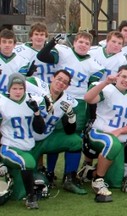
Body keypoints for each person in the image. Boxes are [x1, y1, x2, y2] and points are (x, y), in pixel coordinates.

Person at [83, 65, 127, 202]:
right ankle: (97, 180)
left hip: (118, 138)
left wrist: (120, 130)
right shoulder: (107, 89)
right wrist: (105, 82)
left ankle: (89, 172)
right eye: (123, 76)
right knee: (112, 143)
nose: (126, 80)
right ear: (117, 76)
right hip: (99, 132)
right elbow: (87, 98)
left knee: (115, 182)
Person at [26, 69, 87, 195]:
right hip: (27, 139)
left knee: (75, 141)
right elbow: (20, 81)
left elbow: (70, 131)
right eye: (59, 79)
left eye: (65, 82)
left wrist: (71, 116)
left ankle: (69, 179)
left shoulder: (67, 100)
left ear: (67, 86)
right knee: (25, 177)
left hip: (48, 138)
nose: (61, 83)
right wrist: (45, 95)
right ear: (52, 78)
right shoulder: (38, 85)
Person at [0, 73, 45, 209]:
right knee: (28, 162)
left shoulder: (32, 101)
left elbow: (40, 130)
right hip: (9, 147)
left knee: (35, 185)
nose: (18, 91)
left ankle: (11, 178)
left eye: (21, 88)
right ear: (8, 89)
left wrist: (36, 112)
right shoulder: (2, 102)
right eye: (14, 88)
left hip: (27, 147)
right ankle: (31, 198)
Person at [0, 28, 33, 94]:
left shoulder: (22, 62)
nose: (7, 45)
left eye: (10, 42)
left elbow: (19, 84)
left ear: (14, 44)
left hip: (11, 99)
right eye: (4, 42)